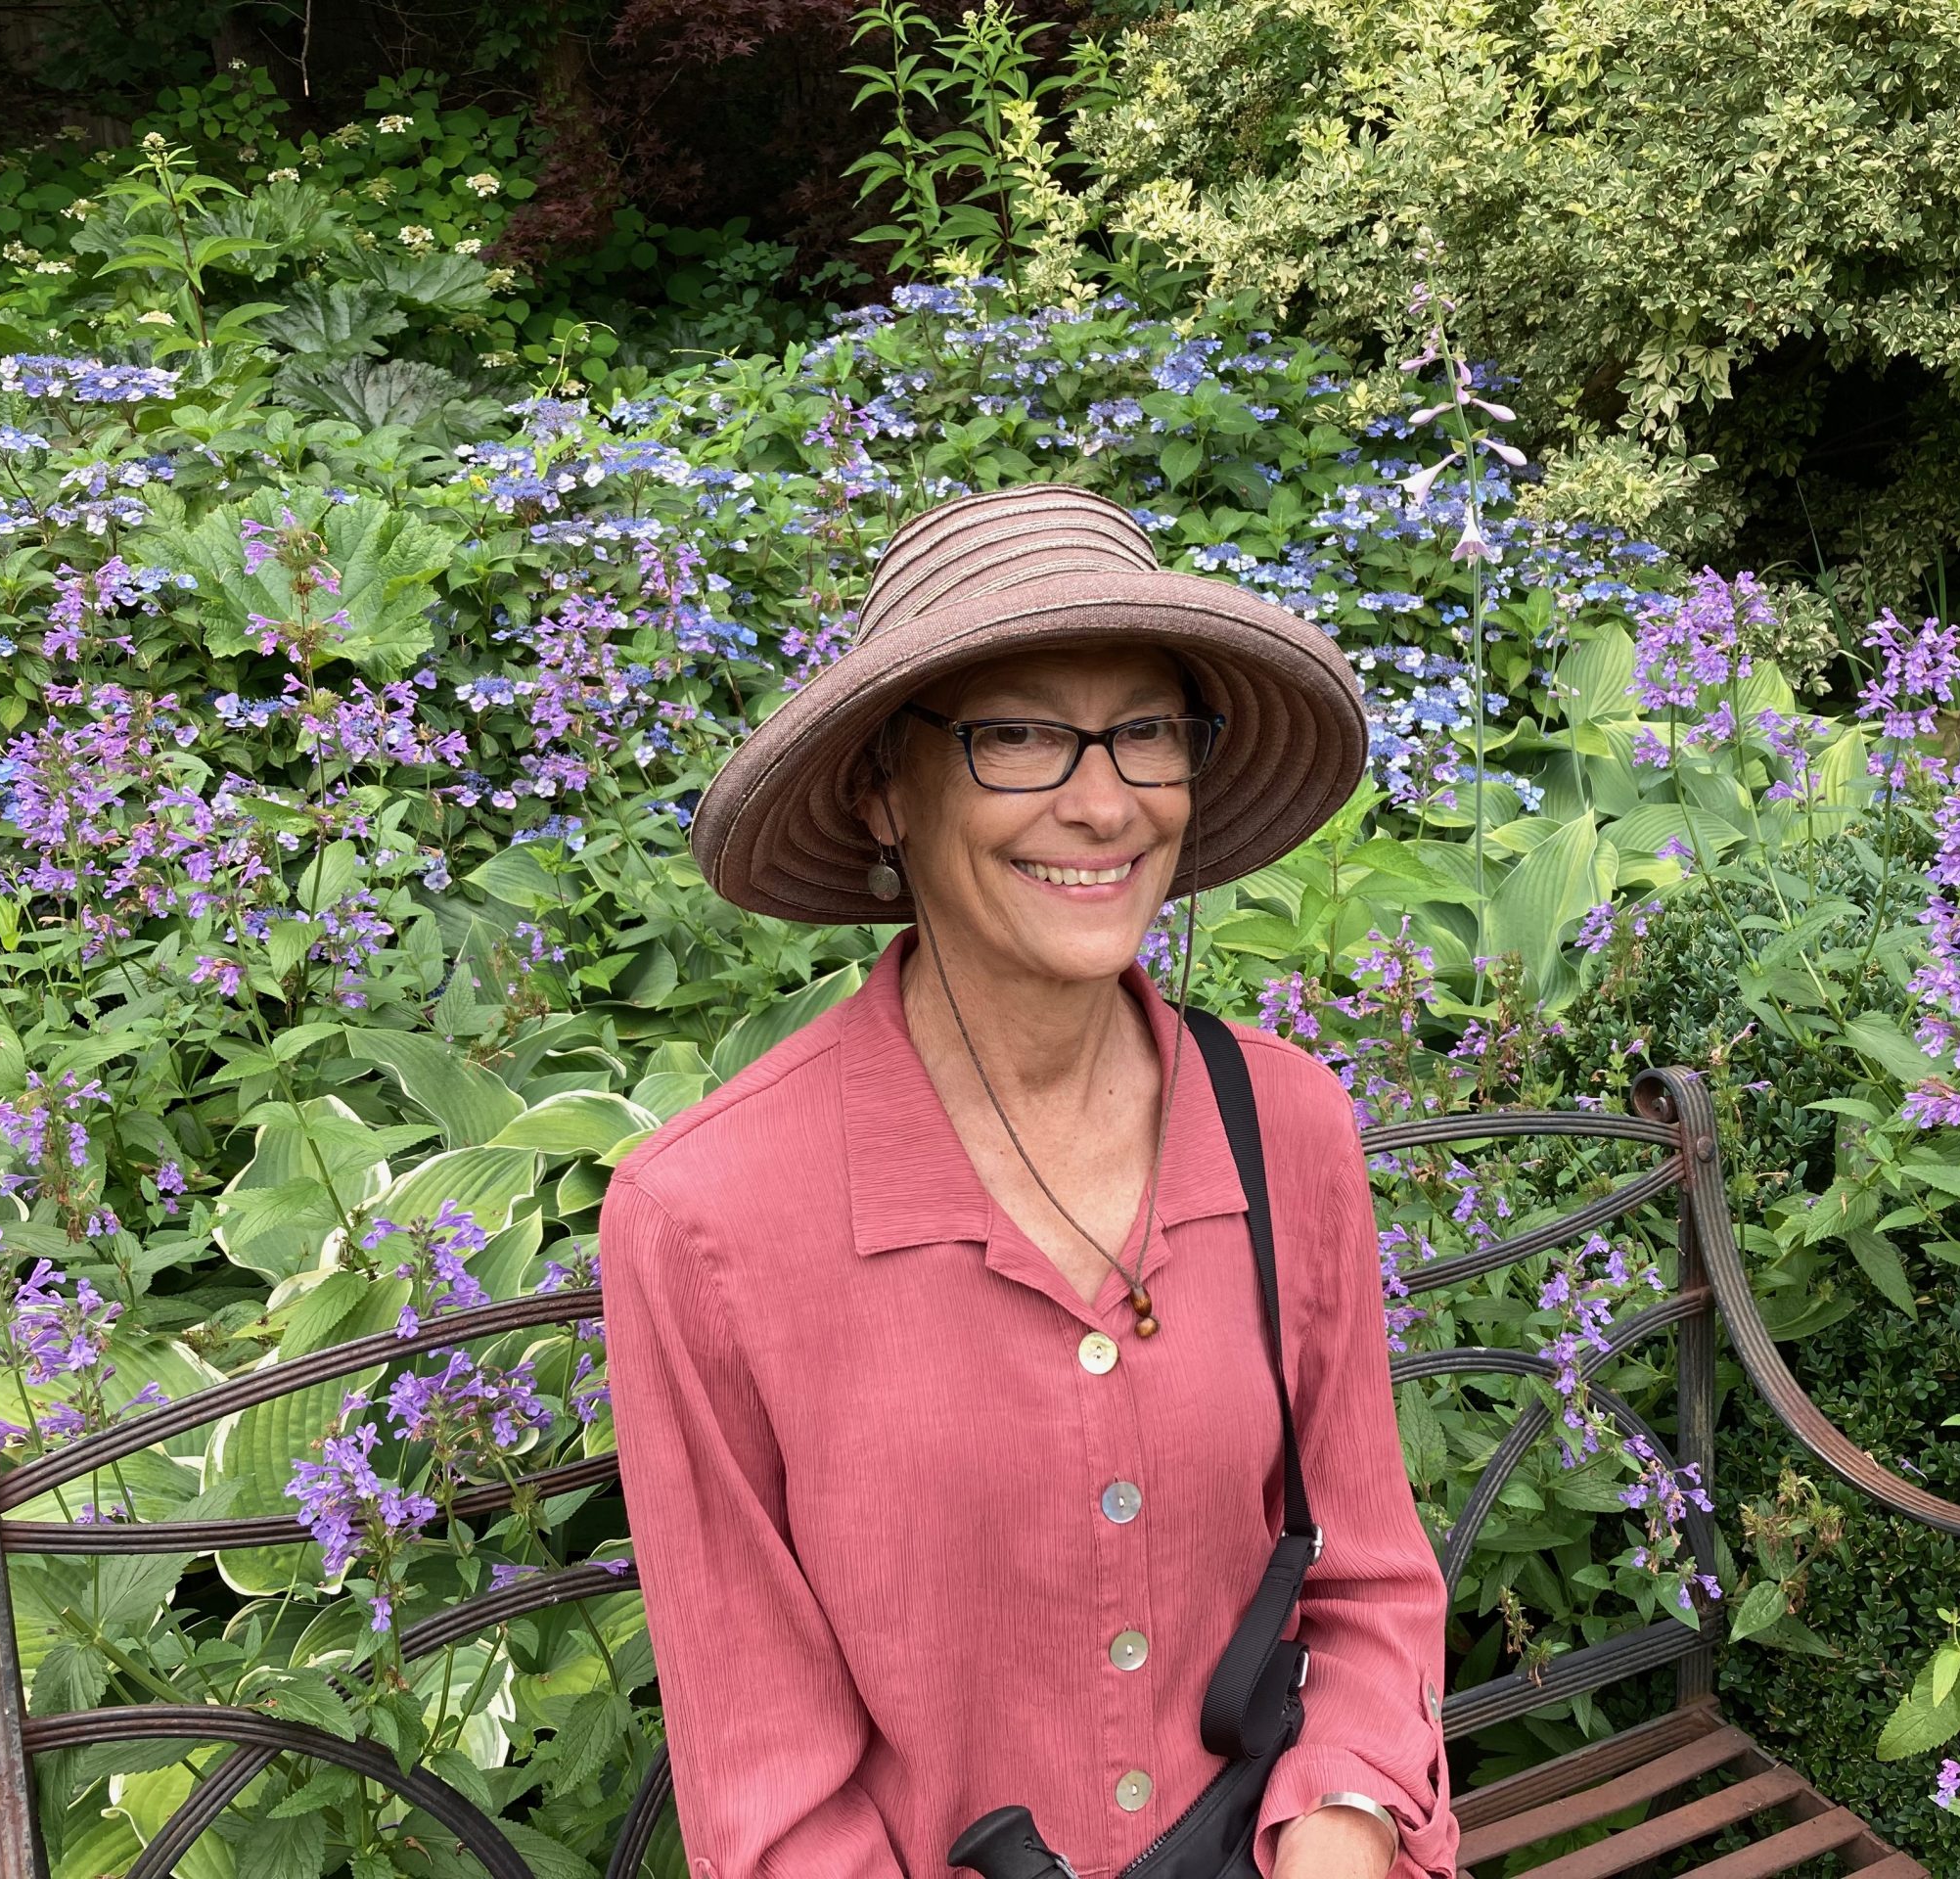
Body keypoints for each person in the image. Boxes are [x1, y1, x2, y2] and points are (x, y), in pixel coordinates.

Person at [599, 482, 1456, 1879]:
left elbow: (1365, 1579)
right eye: (1017, 735)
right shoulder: (708, 1223)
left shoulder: (1284, 1124)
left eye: (1146, 730)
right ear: (884, 787)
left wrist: (1346, 1824)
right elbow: (770, 1800)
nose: (1105, 799)